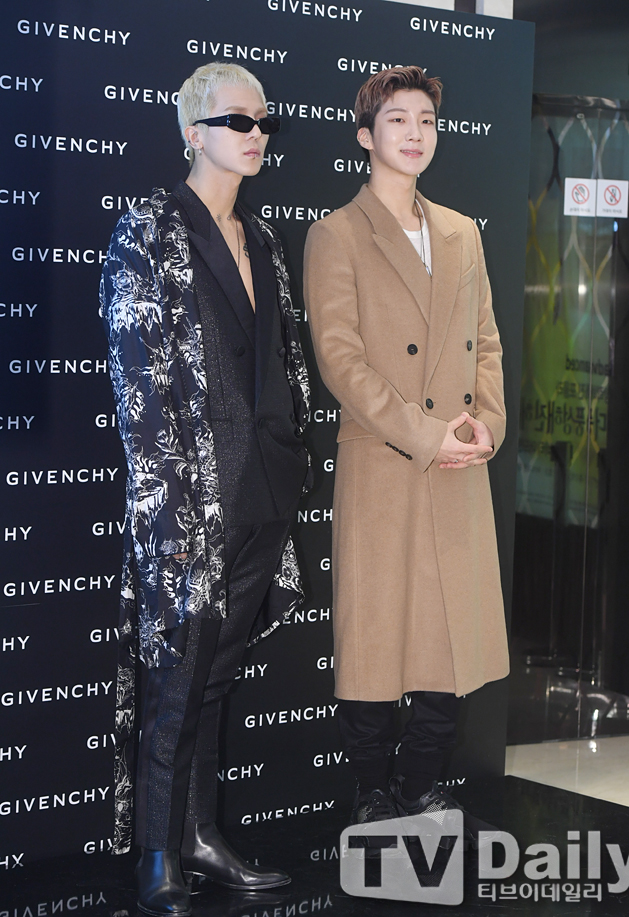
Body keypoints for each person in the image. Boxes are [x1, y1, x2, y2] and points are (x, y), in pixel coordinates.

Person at [100, 62, 311, 917]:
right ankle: (157, 850)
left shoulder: (265, 241)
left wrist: (292, 456)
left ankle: (199, 835)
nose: (257, 134)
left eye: (264, 122)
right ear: (193, 132)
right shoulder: (148, 231)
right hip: (190, 495)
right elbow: (136, 382)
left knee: (216, 674)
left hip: (265, 486)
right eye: (237, 120)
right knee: (177, 675)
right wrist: (167, 505)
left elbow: (281, 362)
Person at [303, 66, 508, 843]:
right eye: (397, 120)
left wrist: (486, 424)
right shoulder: (336, 234)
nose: (415, 133)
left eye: (426, 119)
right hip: (386, 462)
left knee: (446, 640)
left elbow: (487, 340)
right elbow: (340, 359)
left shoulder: (461, 231)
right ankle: (371, 795)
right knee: (375, 637)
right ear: (366, 136)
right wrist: (426, 435)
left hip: (459, 462)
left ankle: (421, 787)